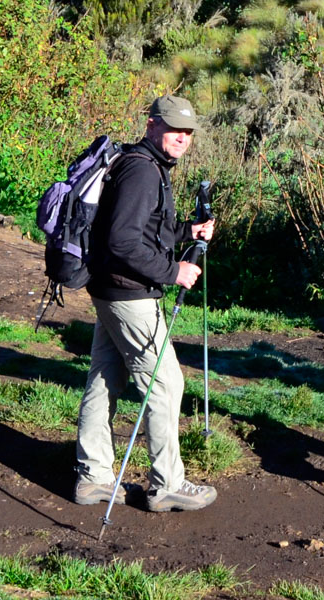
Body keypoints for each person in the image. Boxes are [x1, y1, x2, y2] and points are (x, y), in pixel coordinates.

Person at [73, 95, 218, 511]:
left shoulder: (144, 165)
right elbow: (122, 241)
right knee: (166, 383)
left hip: (110, 290)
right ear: (152, 124)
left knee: (104, 380)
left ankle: (93, 478)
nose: (182, 138)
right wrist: (174, 273)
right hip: (128, 295)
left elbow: (146, 232)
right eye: (174, 128)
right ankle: (168, 484)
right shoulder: (141, 171)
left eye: (188, 131)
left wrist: (185, 230)